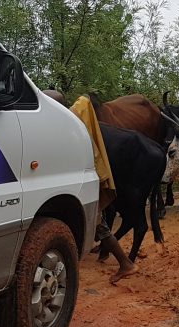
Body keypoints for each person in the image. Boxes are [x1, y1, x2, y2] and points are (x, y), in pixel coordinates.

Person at [50, 88, 138, 284]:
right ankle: (124, 263)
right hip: (77, 190)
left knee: (100, 228)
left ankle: (126, 264)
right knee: (97, 228)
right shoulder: (72, 128)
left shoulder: (66, 131)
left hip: (77, 190)